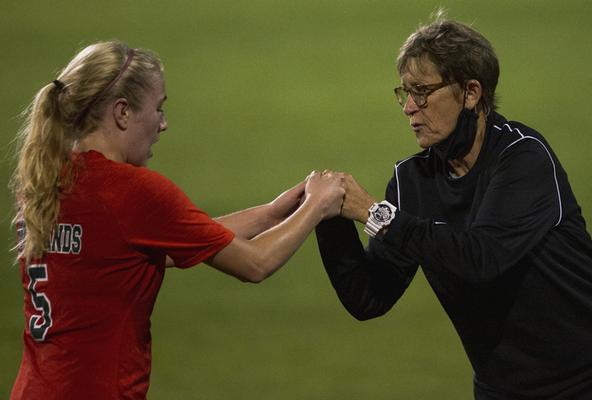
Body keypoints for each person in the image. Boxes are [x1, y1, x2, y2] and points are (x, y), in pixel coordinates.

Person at [9, 41, 345, 400]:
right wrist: (318, 205)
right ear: (122, 112)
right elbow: (255, 263)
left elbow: (155, 250)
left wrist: (272, 212)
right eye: (159, 108)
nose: (164, 124)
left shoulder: (46, 180)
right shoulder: (132, 191)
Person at [315, 17, 592, 399]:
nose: (409, 108)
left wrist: (374, 213)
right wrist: (328, 215)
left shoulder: (523, 158)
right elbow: (368, 296)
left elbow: (480, 259)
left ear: (470, 92)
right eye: (405, 93)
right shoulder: (411, 182)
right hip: (502, 391)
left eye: (422, 92)